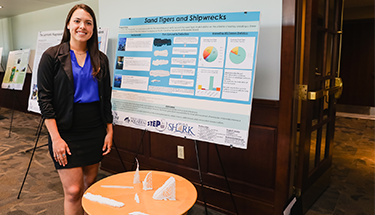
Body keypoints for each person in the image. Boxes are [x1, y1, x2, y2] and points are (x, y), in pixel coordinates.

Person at [37, 4, 113, 214]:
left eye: (88, 22)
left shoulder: (101, 59)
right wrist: (56, 138)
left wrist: (109, 130)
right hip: (65, 131)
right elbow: (44, 100)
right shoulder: (51, 57)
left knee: (90, 188)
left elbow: (106, 98)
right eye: (77, 21)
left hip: (94, 129)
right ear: (69, 25)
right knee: (73, 190)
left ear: (93, 28)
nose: (82, 26)